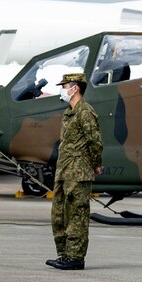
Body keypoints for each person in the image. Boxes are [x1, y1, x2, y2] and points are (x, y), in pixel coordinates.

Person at [46, 71, 102, 271]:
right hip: (65, 170)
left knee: (76, 214)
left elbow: (94, 141)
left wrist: (96, 163)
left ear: (74, 88)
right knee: (59, 214)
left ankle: (76, 257)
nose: (62, 90)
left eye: (64, 86)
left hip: (78, 173)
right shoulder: (69, 112)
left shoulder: (85, 112)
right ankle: (64, 254)